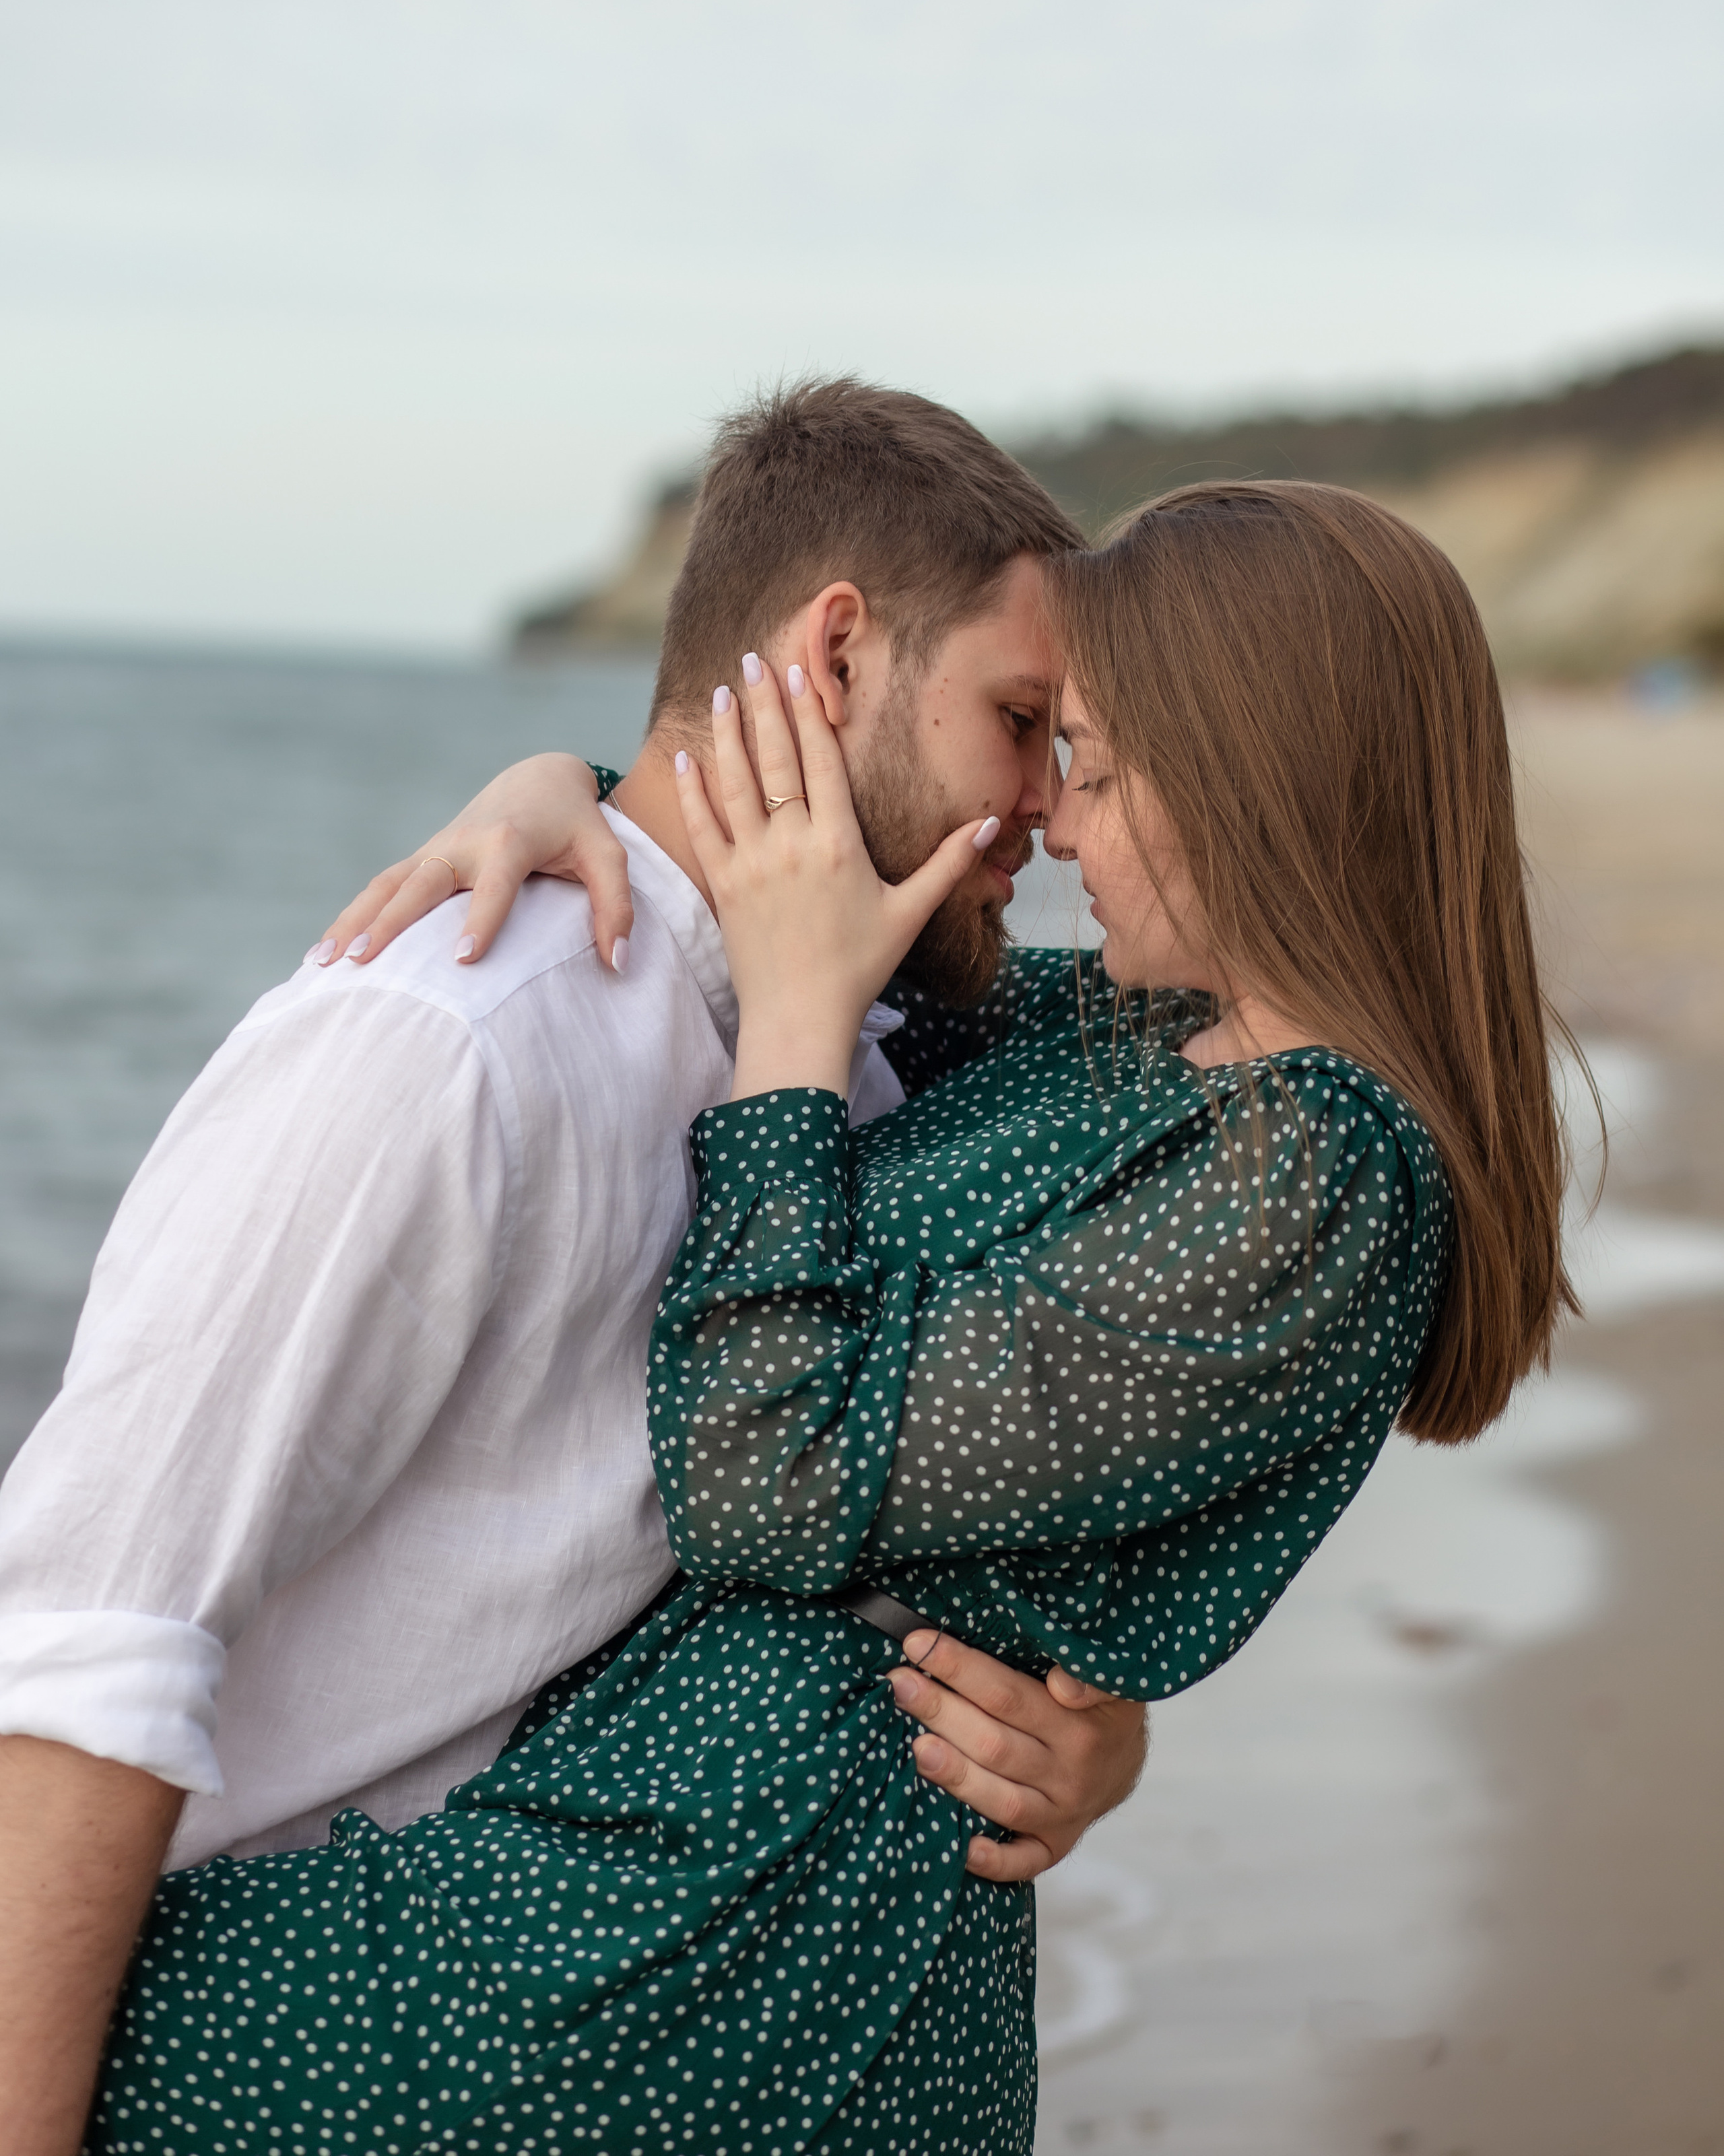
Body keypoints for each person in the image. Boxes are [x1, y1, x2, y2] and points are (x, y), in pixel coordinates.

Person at [88, 477, 1574, 2154]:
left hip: (713, 1961)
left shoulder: (1318, 1179)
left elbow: (762, 1477)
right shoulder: (1128, 1040)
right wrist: (570, 792)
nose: (1057, 830)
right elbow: (868, 934)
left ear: (1257, 776)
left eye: (1089, 761)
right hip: (642, 1868)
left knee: (92, 2005)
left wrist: (792, 1031)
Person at [0, 381, 1154, 2156]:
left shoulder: (865, 1064)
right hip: (254, 2049)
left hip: (559, 2044)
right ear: (831, 654)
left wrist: (1095, 1735)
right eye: (1020, 722)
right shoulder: (443, 1048)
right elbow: (83, 1652)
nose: (1040, 813)